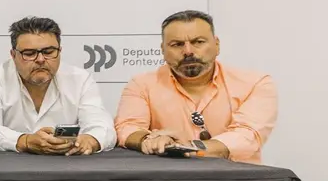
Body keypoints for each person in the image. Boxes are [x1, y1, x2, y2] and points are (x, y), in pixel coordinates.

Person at [115, 10, 276, 163]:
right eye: (177, 44)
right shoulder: (142, 85)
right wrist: (148, 140)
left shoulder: (255, 84)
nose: (188, 51)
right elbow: (127, 127)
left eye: (198, 42)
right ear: (163, 50)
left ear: (217, 45)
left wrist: (184, 148)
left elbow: (247, 135)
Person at [0, 16, 115, 155]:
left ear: (59, 51)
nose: (41, 60)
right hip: (11, 169)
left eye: (49, 52)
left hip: (68, 167)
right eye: (29, 54)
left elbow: (103, 127)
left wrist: (89, 140)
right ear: (13, 55)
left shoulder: (80, 79)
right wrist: (25, 141)